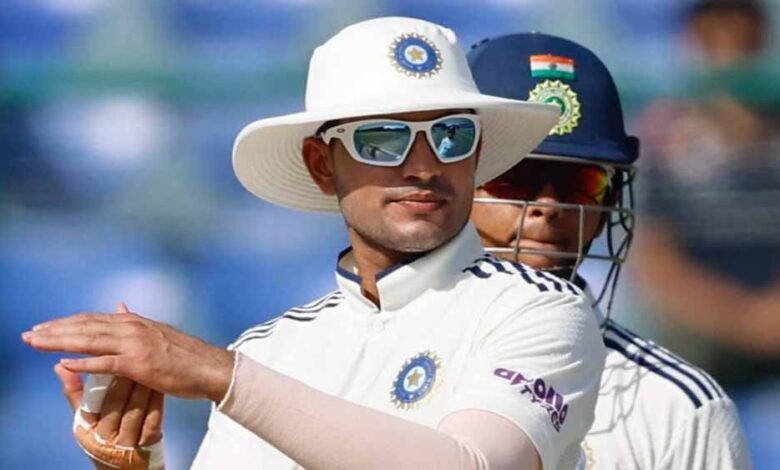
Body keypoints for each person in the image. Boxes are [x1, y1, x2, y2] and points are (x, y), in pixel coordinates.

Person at [24, 18, 606, 470]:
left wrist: (223, 376)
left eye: (452, 135)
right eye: (383, 139)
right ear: (321, 165)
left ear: (476, 154)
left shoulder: (538, 308)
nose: (425, 166)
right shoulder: (271, 352)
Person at [467, 32, 751, 469]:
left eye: (580, 183)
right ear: (454, 183)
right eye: (514, 176)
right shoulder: (367, 348)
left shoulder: (676, 410)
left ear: (610, 203)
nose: (548, 206)